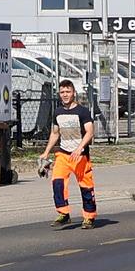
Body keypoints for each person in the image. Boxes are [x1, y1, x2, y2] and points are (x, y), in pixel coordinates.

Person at [39, 79, 98, 229]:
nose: (65, 95)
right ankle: (64, 213)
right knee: (57, 182)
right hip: (63, 154)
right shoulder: (58, 112)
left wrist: (79, 148)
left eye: (68, 92)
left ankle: (89, 217)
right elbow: (55, 133)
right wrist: (46, 152)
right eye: (62, 92)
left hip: (80, 156)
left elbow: (90, 132)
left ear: (74, 93)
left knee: (86, 186)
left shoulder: (82, 112)